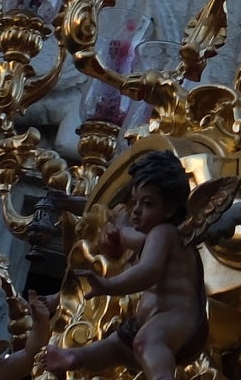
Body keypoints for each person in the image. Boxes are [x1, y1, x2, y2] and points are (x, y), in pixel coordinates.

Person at [43, 151, 225, 380]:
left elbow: (147, 272)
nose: (137, 210)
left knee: (146, 342)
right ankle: (75, 358)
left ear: (169, 209)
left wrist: (109, 285)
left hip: (176, 318)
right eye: (135, 201)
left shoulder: (165, 233)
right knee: (116, 345)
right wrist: (119, 228)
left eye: (147, 204)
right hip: (153, 318)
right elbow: (131, 239)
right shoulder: (154, 237)